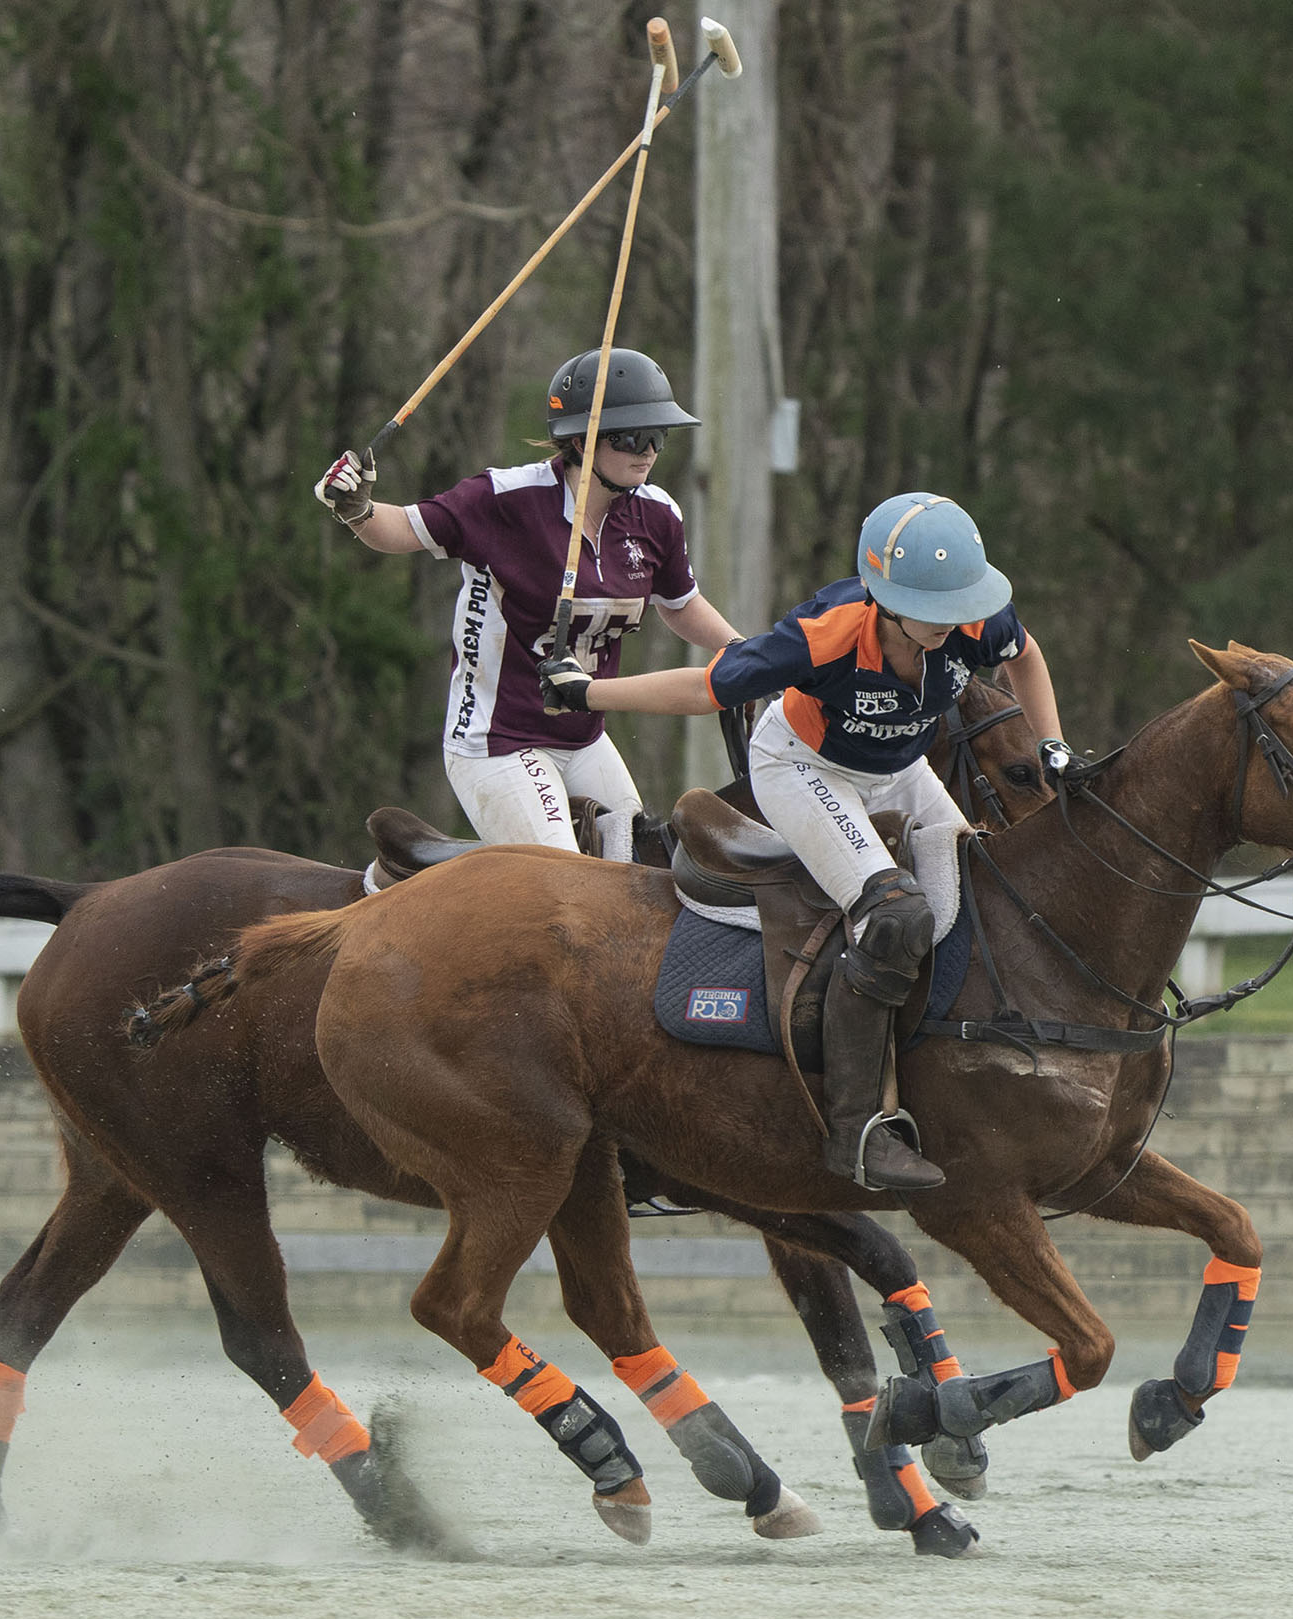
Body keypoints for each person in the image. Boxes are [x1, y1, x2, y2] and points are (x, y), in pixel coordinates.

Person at [535, 492, 1069, 1191]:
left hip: (896, 767)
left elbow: (1025, 655)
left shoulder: (973, 614)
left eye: (954, 610)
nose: (946, 628)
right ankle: (857, 1131)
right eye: (928, 613)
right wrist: (587, 693)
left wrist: (1051, 739)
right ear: (882, 595)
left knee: (983, 887)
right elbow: (705, 689)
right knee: (897, 914)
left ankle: (948, 1080)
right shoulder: (826, 632)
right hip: (801, 766)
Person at [309, 349, 742, 852]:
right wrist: (357, 507)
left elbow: (681, 604)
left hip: (584, 740)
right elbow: (400, 529)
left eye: (658, 437)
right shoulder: (504, 499)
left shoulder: (658, 515)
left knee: (643, 874)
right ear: (580, 441)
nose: (647, 451)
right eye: (630, 437)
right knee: (569, 887)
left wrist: (746, 652)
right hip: (497, 740)